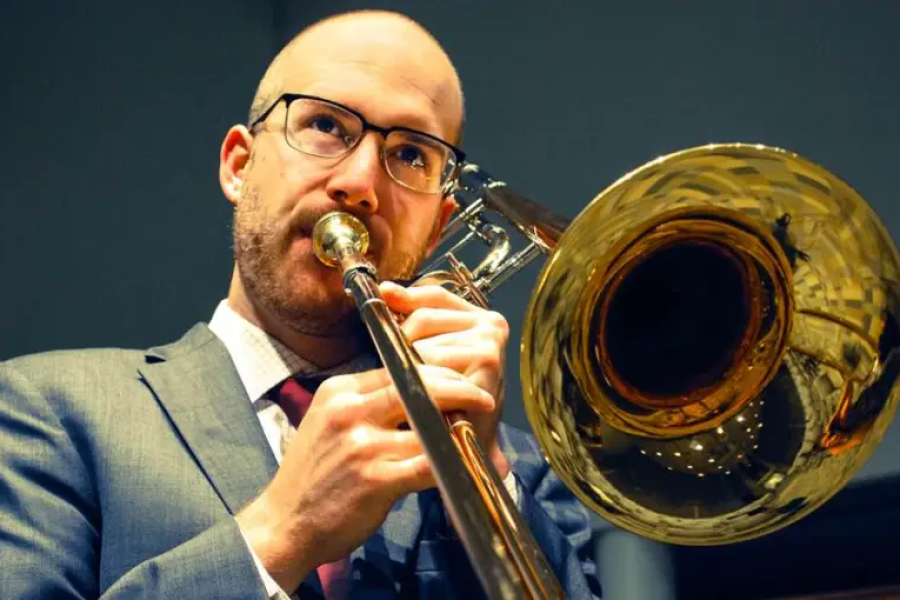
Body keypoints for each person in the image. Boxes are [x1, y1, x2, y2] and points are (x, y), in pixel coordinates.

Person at [0, 10, 601, 599]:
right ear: (239, 166)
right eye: (326, 125)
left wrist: (485, 478)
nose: (360, 184)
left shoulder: (522, 472)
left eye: (411, 154)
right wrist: (281, 534)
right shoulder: (47, 410)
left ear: (438, 226)